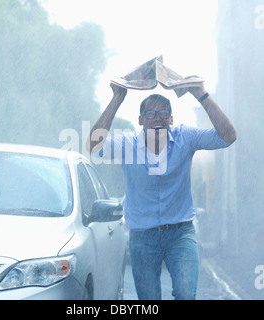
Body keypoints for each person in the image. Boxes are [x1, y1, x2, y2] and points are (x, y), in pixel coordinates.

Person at [86, 80, 236, 300]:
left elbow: (227, 136)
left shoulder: (185, 137)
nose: (157, 118)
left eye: (163, 113)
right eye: (150, 114)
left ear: (171, 119)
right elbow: (93, 147)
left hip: (181, 234)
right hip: (142, 236)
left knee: (186, 294)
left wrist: (200, 93)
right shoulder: (127, 144)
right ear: (140, 120)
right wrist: (117, 98)